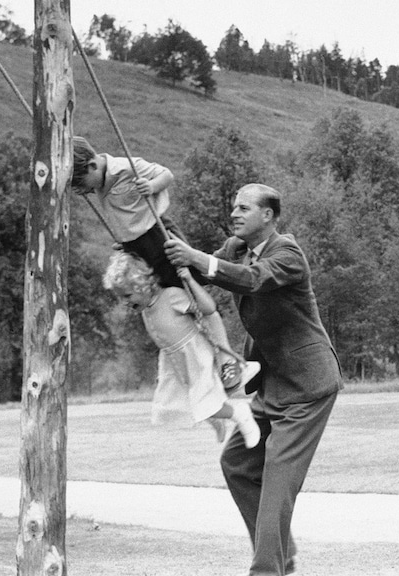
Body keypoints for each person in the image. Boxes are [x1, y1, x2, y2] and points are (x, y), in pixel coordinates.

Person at [164, 183, 343, 576]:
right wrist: (154, 226)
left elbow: (251, 279)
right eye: (233, 207)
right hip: (270, 382)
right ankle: (283, 552)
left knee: (278, 482)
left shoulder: (288, 253)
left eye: (244, 208)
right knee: (238, 463)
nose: (234, 213)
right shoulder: (236, 248)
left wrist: (196, 257)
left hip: (307, 385)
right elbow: (194, 269)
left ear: (269, 216)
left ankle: (266, 570)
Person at [71, 136, 252, 390]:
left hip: (158, 236)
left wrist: (151, 185)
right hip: (135, 247)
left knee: (195, 291)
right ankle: (197, 362)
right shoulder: (95, 179)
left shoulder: (125, 167)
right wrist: (124, 240)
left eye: (81, 183)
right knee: (160, 303)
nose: (84, 191)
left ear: (92, 165)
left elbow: (166, 175)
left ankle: (227, 360)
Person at [102, 251, 261, 448]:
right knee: (175, 406)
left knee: (204, 401)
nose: (125, 302)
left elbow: (208, 308)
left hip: (195, 354)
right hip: (175, 360)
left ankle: (240, 414)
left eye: (128, 295)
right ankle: (216, 419)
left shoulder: (170, 297)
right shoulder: (146, 310)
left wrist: (190, 282)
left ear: (143, 286)